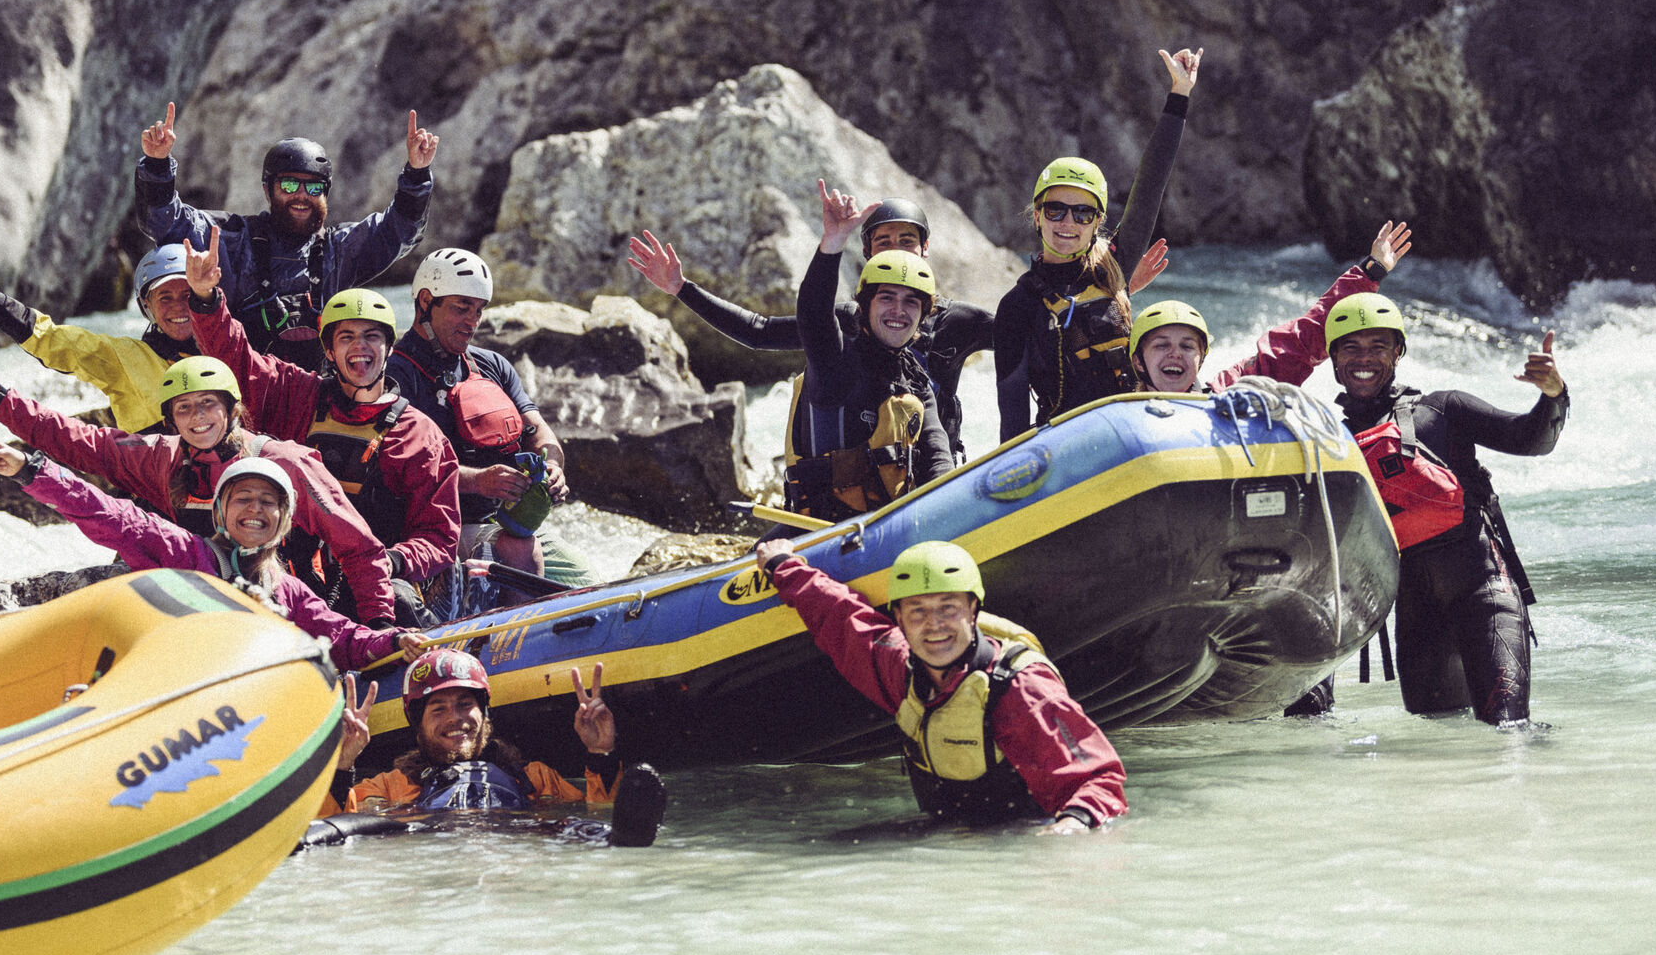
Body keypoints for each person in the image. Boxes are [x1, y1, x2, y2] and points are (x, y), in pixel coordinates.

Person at [628, 203, 1170, 463]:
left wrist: (1114, 293)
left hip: (936, 468)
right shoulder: (846, 323)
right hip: (859, 475)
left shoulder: (958, 321)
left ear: (925, 250)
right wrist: (682, 289)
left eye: (907, 241)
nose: (896, 250)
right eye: (883, 242)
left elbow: (1043, 336)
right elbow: (760, 331)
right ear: (867, 255)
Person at [0, 344, 403, 627]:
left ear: (232, 409)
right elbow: (80, 441)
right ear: (170, 418)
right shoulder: (160, 458)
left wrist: (379, 624)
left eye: (208, 404)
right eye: (184, 408)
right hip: (203, 608)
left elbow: (360, 549)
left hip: (289, 603)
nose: (197, 417)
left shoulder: (285, 462)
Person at [179, 229, 460, 618]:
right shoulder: (297, 394)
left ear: (389, 349)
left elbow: (439, 538)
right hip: (292, 572)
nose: (360, 346)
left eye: (372, 337)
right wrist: (205, 298)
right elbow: (236, 358)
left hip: (377, 577)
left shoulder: (421, 436)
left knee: (399, 598)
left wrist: (391, 560)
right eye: (346, 338)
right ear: (328, 350)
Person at [755, 537, 1126, 829]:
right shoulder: (897, 667)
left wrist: (1071, 828)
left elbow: (1100, 782)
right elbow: (839, 616)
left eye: (948, 607)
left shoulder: (1020, 688)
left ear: (973, 610)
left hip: (1025, 834)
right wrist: (783, 565)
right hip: (947, 833)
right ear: (899, 617)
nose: (934, 624)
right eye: (918, 610)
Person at [0, 436, 426, 670]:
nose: (255, 510)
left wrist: (392, 642)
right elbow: (108, 514)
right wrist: (32, 470)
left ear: (284, 521)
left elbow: (342, 639)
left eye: (268, 503)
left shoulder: (288, 591)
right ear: (221, 512)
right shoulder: (185, 552)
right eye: (243, 499)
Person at [1324, 294, 1568, 726]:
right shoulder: (1329, 445)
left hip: (1485, 597)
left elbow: (1530, 439)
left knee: (1510, 731)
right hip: (1418, 621)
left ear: (1398, 353)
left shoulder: (1442, 410)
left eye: (1378, 346)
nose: (1364, 359)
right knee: (1436, 744)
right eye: (1351, 347)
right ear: (1334, 359)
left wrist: (1553, 396)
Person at [992, 47, 1202, 436]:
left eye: (1083, 214)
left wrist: (1180, 93)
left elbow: (1150, 186)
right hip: (1068, 448)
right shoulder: (1016, 307)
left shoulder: (1113, 268)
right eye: (1055, 210)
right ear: (1037, 216)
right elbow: (1013, 416)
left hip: (1135, 432)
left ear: (1098, 222)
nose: (1068, 223)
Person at [134, 102, 436, 371]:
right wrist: (157, 165)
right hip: (246, 397)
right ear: (268, 191)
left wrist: (416, 174)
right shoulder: (233, 240)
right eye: (289, 186)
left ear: (326, 194)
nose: (301, 196)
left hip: (319, 397)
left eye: (314, 187)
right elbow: (164, 222)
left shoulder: (339, 250)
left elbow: (399, 232)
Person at [324, 649, 667, 848]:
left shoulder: (533, 778)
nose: (455, 718)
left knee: (572, 827)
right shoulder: (387, 787)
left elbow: (601, 811)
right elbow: (327, 826)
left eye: (465, 704)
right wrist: (341, 765)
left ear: (484, 714)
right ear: (418, 724)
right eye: (438, 709)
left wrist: (601, 752)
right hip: (429, 845)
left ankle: (620, 841)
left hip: (514, 844)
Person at [386, 248, 587, 585]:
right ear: (426, 301)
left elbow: (539, 432)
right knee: (518, 551)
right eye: (462, 307)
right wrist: (478, 481)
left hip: (502, 523)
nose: (473, 321)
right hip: (434, 530)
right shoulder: (395, 375)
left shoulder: (492, 366)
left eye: (479, 310)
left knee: (586, 580)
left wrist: (553, 466)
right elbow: (402, 469)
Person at [780, 182, 954, 520]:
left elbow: (938, 458)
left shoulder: (915, 382)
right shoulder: (835, 363)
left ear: (922, 315)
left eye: (911, 302)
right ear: (866, 304)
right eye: (886, 298)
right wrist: (832, 244)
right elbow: (813, 314)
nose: (898, 311)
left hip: (890, 527)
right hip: (821, 531)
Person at [0, 244, 199, 435]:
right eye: (165, 297)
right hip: (160, 487)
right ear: (146, 305)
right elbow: (50, 340)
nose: (178, 307)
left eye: (187, 295)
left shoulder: (222, 344)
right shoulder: (124, 359)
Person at [1126, 221, 1414, 394]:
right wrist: (1121, 291)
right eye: (1161, 345)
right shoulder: (1112, 406)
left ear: (1201, 359)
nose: (1176, 354)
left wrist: (1370, 272)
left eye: (1188, 346)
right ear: (1138, 361)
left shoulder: (1226, 396)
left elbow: (1302, 341)